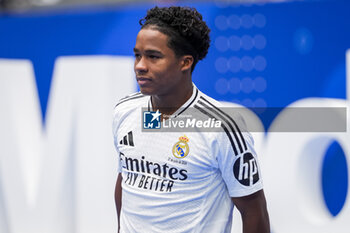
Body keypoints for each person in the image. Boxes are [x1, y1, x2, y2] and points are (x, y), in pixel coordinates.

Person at [113, 6, 270, 233]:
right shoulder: (124, 110)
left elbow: (254, 211)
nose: (140, 66)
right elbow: (126, 183)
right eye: (137, 55)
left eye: (153, 57)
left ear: (185, 63)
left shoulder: (223, 127)